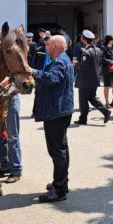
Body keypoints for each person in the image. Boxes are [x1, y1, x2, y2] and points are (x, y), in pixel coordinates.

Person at [31, 35, 75, 202]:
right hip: (60, 110)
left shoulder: (60, 62)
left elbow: (51, 78)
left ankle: (59, 189)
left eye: (48, 44)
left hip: (56, 112)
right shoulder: (64, 59)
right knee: (61, 148)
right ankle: (61, 182)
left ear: (56, 45)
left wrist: (33, 72)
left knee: (57, 151)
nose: (46, 46)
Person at [74, 30, 111, 125]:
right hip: (94, 79)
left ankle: (83, 119)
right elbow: (99, 62)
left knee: (83, 100)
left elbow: (83, 66)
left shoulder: (86, 51)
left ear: (83, 39)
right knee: (92, 98)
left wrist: (76, 64)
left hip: (85, 80)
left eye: (81, 37)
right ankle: (105, 111)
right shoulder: (98, 50)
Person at [0, 93, 22, 182]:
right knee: (0, 136)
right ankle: (5, 166)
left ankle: (16, 170)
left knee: (12, 136)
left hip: (10, 99)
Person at [101, 35, 113, 107]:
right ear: (108, 40)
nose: (112, 41)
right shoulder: (103, 48)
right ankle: (107, 102)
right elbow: (102, 59)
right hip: (106, 69)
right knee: (107, 86)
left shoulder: (111, 47)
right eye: (111, 40)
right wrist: (111, 62)